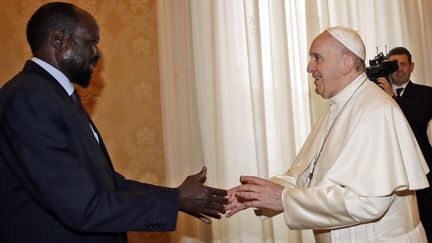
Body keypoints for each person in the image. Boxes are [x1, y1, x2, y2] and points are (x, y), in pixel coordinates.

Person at [0, 2, 227, 243]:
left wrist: (176, 197)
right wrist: (176, 199)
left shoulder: (53, 95)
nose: (97, 53)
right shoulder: (30, 98)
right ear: (60, 39)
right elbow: (83, 207)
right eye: (91, 42)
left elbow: (106, 183)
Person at [225, 26, 430, 242]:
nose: (309, 67)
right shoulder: (335, 108)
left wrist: (284, 199)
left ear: (346, 63)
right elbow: (304, 175)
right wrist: (255, 194)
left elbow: (369, 202)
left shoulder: (377, 110)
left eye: (317, 58)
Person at [377, 46, 432, 241]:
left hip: (421, 166)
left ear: (412, 67)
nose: (399, 69)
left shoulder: (426, 93)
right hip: (389, 167)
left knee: (427, 219)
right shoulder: (376, 94)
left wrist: (393, 97)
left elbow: (419, 117)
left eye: (403, 64)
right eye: (394, 65)